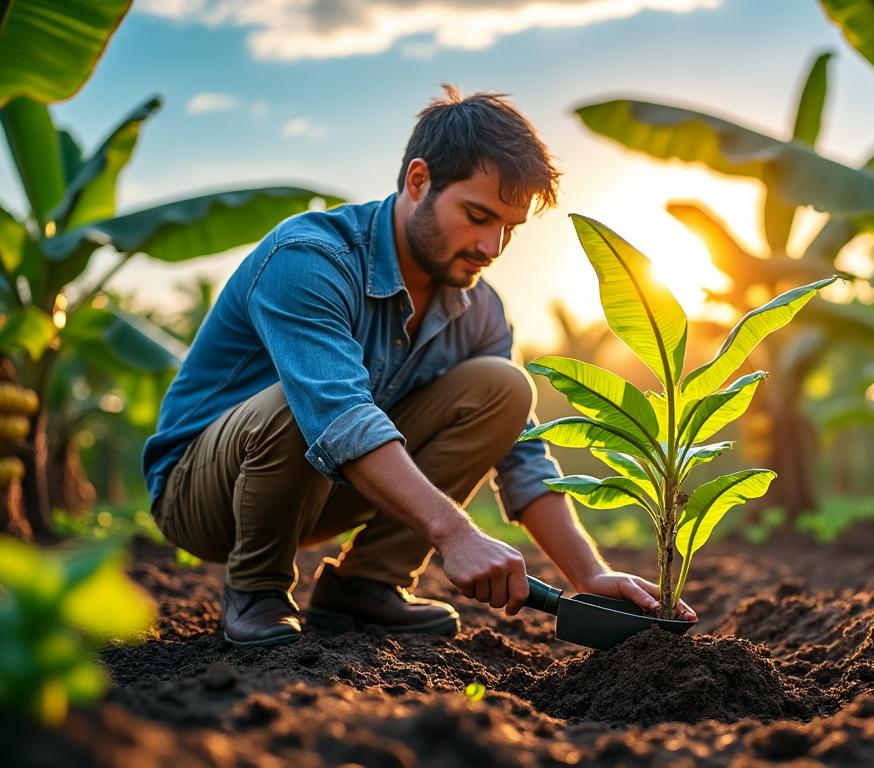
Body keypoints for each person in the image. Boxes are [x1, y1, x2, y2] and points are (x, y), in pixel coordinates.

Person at [142, 85, 696, 646]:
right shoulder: (310, 259)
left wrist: (588, 575)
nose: (491, 246)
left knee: (504, 388)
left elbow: (522, 454)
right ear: (418, 181)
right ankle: (256, 588)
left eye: (508, 227)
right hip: (204, 494)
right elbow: (337, 416)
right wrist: (456, 534)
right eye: (477, 215)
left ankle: (366, 586)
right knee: (300, 399)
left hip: (327, 490)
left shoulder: (478, 309)